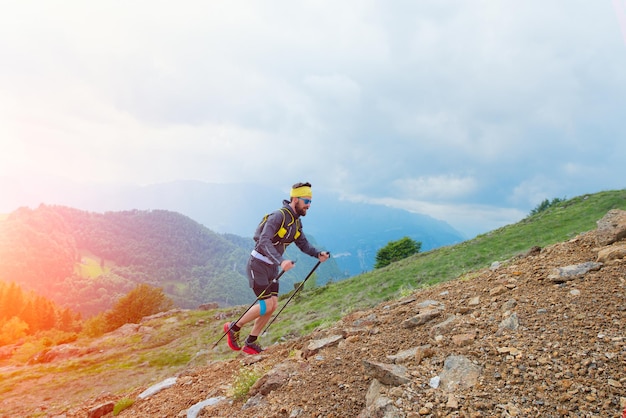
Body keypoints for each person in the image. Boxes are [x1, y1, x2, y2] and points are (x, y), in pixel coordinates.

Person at [223, 182, 330, 355]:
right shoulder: (278, 216)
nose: (309, 205)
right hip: (257, 264)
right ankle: (233, 327)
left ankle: (251, 342)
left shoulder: (296, 223)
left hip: (272, 267)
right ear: (295, 199)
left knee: (272, 305)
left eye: (310, 201)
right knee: (265, 305)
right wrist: (281, 261)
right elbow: (263, 240)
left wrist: (318, 254)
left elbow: (302, 243)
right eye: (306, 200)